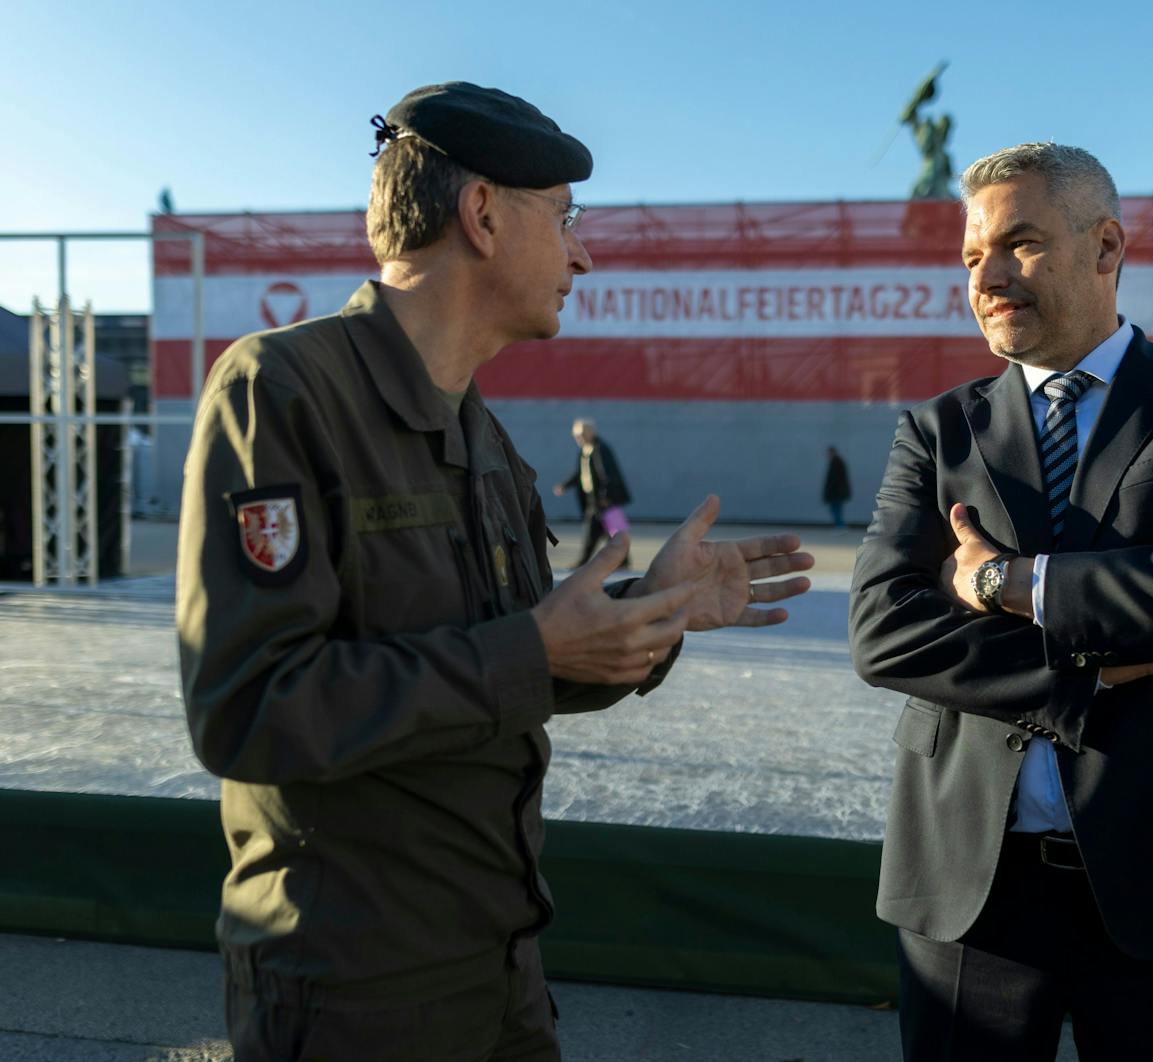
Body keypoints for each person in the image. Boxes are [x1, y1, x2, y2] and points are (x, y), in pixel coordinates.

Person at [175, 81, 813, 1062]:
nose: (582, 254)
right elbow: (249, 708)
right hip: (354, 992)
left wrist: (648, 613)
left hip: (500, 969)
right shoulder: (282, 390)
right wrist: (528, 647)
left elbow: (520, 669)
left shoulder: (486, 439)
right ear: (480, 215)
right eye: (564, 220)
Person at [848, 142, 1153, 1061]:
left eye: (1018, 244)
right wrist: (1101, 654)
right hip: (968, 888)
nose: (986, 276)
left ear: (1106, 247)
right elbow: (884, 634)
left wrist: (1009, 583)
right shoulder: (937, 430)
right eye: (971, 257)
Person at [552, 418, 631, 567]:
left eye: (580, 434)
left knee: (613, 531)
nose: (577, 438)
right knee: (597, 532)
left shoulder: (600, 449)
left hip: (606, 500)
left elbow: (608, 474)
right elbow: (580, 473)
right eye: (576, 435)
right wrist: (564, 485)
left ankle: (621, 561)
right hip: (594, 500)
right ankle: (593, 560)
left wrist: (605, 496)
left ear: (590, 433)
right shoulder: (585, 450)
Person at [822, 445, 852, 528]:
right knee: (836, 509)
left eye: (828, 453)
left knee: (836, 509)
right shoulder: (837, 462)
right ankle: (839, 525)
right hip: (837, 492)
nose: (827, 455)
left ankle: (840, 525)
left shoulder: (836, 462)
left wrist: (830, 491)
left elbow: (834, 480)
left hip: (836, 492)